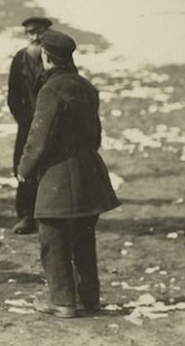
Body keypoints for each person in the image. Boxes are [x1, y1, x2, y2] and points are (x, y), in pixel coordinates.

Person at [18, 30, 120, 318]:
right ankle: (90, 299)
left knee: (53, 236)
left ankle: (62, 302)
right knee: (83, 237)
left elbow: (40, 137)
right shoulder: (86, 87)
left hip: (59, 175)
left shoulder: (50, 90)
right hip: (90, 171)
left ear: (47, 58)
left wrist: (25, 168)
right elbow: (96, 134)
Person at [7, 17, 52, 235]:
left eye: (40, 33)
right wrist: (24, 120)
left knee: (50, 167)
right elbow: (13, 94)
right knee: (24, 166)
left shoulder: (56, 57)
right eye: (31, 33)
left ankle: (48, 214)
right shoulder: (20, 59)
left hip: (52, 124)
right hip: (27, 124)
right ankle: (25, 215)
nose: (35, 38)